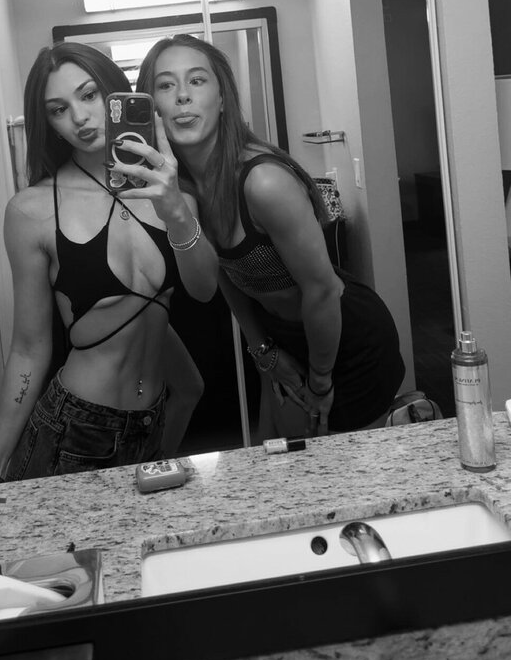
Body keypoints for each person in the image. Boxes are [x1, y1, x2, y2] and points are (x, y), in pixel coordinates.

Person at [136, 34, 406, 440]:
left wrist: (320, 381)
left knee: (346, 469)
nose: (182, 96)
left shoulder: (263, 182)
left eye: (197, 80)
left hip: (344, 341)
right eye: (165, 85)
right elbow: (215, 281)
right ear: (152, 107)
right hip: (283, 338)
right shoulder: (186, 187)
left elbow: (322, 290)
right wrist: (263, 351)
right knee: (280, 459)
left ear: (222, 99)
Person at [0, 42, 218, 485]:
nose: (79, 117)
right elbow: (28, 349)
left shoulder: (171, 193)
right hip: (74, 430)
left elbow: (202, 291)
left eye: (89, 95)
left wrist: (177, 211)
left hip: (149, 426)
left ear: (114, 95)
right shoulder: (32, 210)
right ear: (48, 123)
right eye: (58, 109)